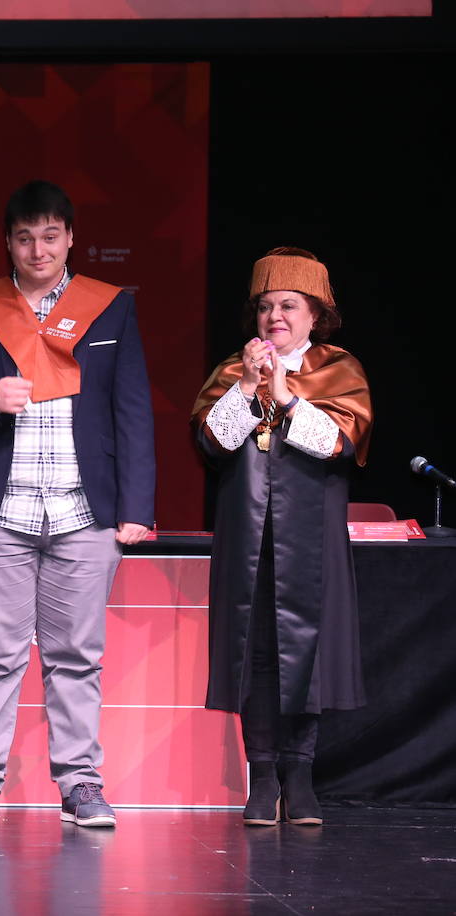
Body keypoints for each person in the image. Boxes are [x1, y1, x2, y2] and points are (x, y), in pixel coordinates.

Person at [0, 179, 155, 829]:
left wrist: (136, 505)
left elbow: (132, 411)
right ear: (8, 242)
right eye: (25, 237)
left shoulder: (109, 309)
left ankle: (81, 782)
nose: (38, 248)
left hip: (85, 511)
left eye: (51, 235)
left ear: (71, 238)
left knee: (77, 654)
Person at [191, 247, 371, 827]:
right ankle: (263, 776)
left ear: (315, 314)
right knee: (257, 655)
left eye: (289, 305)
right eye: (266, 306)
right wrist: (248, 386)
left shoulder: (338, 369)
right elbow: (212, 444)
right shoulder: (230, 372)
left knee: (309, 656)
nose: (276, 316)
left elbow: (336, 444)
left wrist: (288, 395)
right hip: (249, 536)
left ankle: (301, 774)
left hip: (311, 537)